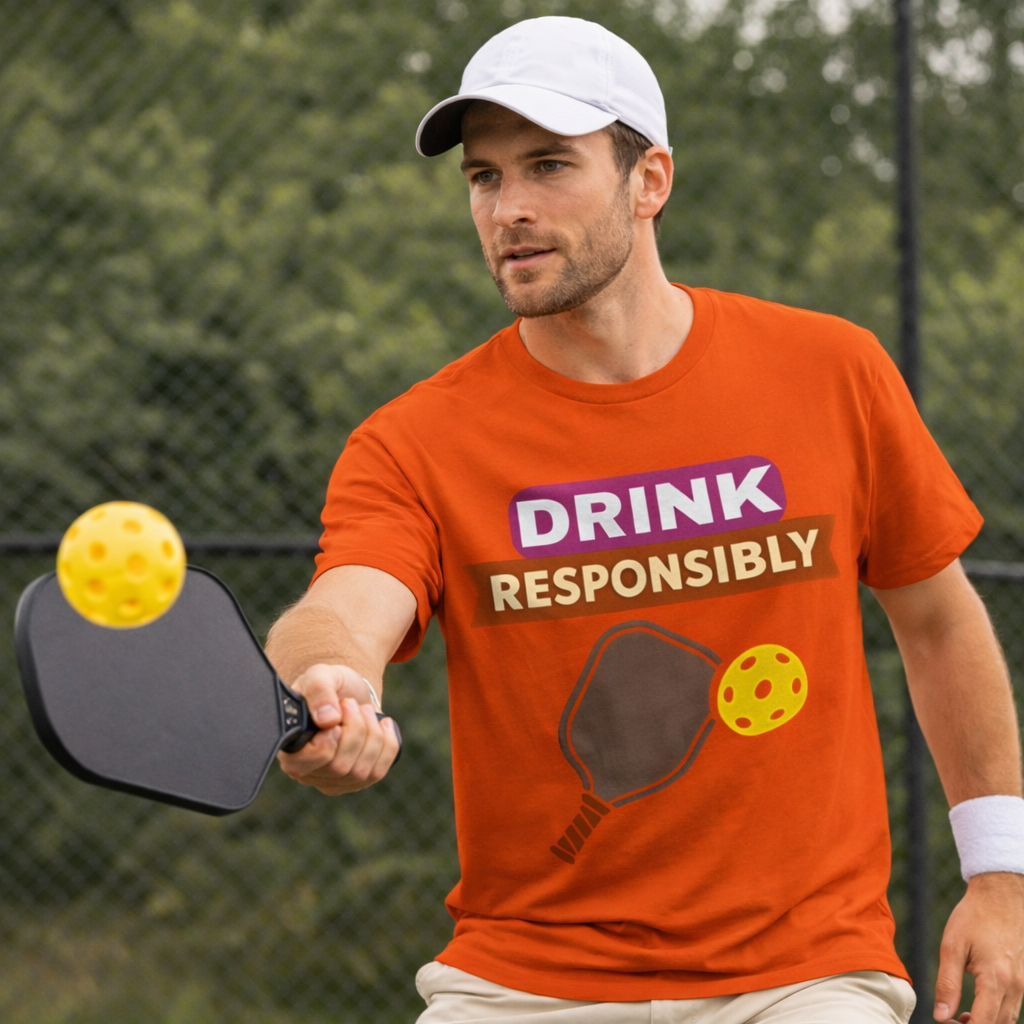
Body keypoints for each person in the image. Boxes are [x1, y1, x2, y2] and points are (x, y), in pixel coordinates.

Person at [265, 16, 1024, 1024]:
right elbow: (343, 607)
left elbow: (935, 621)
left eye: (548, 165)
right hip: (518, 982)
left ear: (649, 180)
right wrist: (328, 678)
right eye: (484, 178)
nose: (510, 208)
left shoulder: (830, 373)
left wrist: (1001, 877)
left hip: (801, 976)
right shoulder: (414, 441)